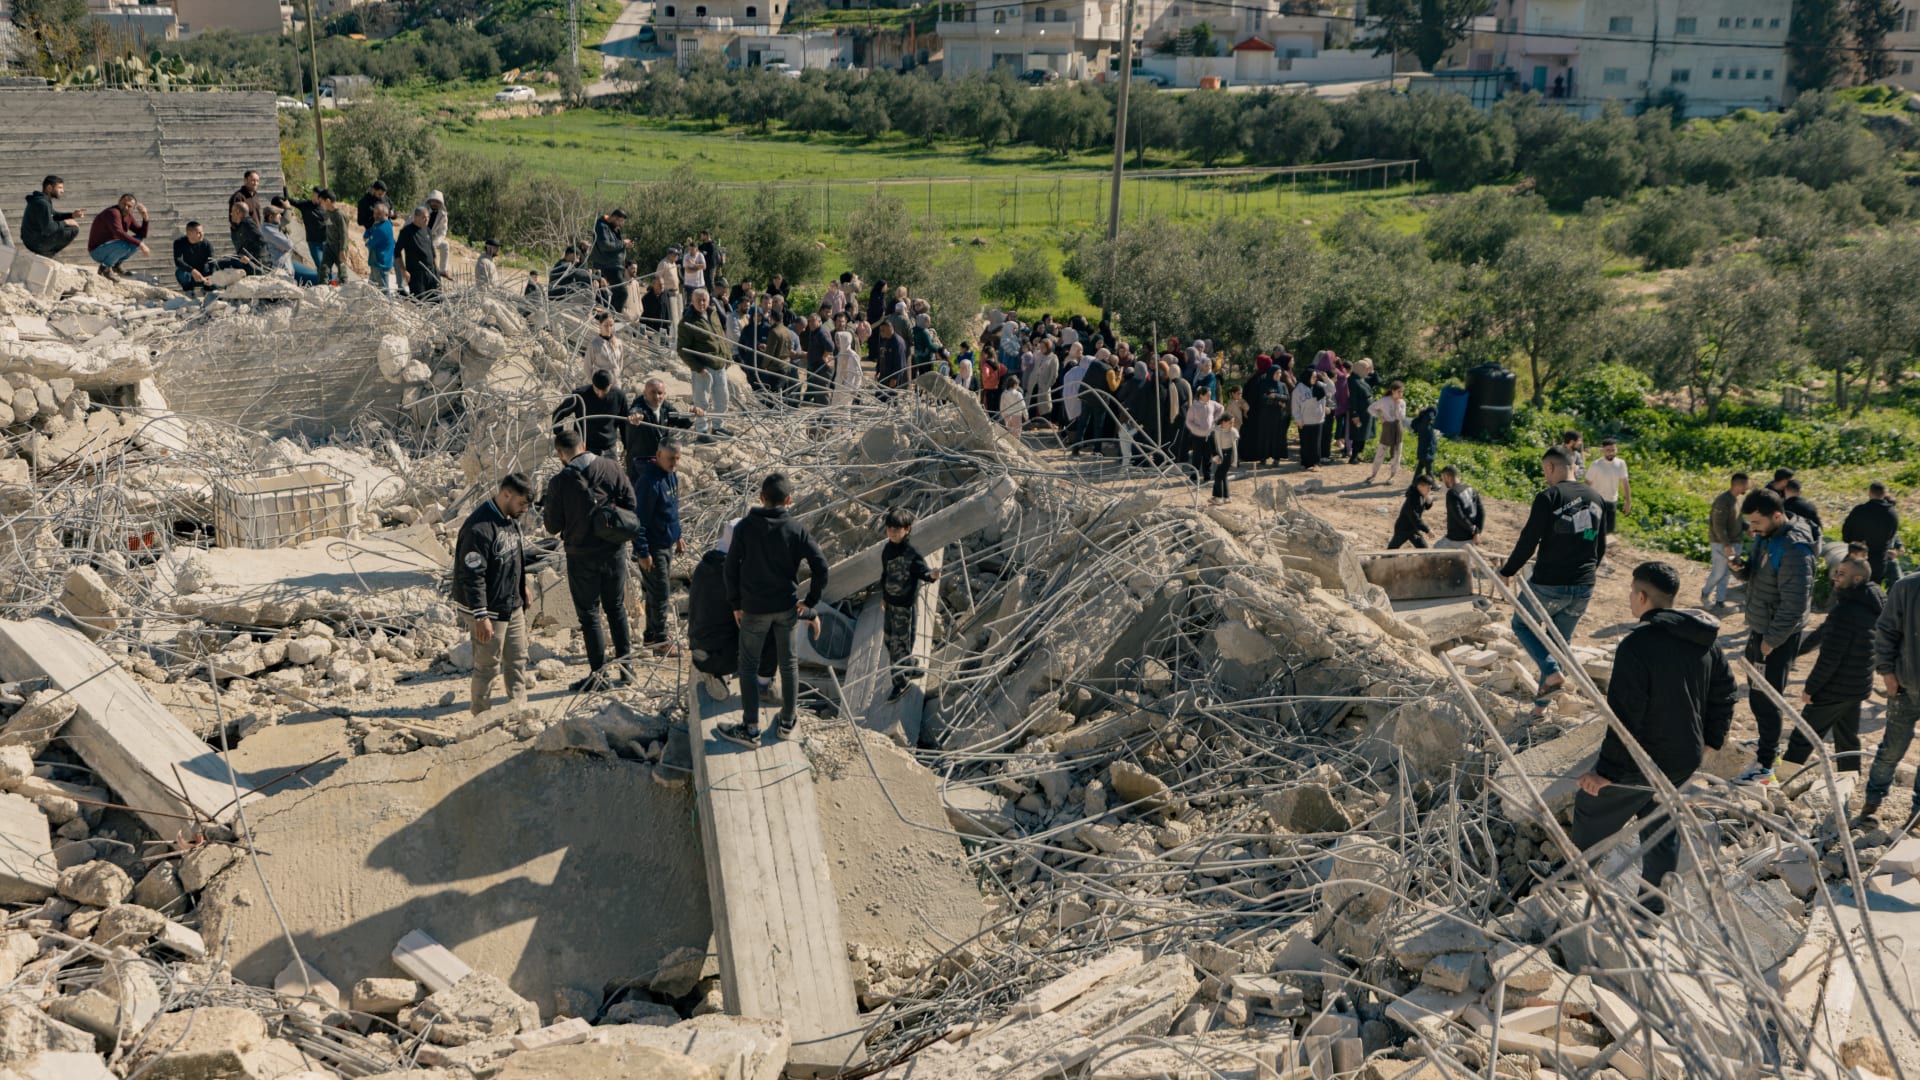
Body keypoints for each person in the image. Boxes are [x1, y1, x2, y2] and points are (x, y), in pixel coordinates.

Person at [1571, 561, 1733, 916]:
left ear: (1642, 596)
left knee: (1591, 809)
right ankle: (1652, 906)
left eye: (1632, 592)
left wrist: (1606, 773)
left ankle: (1571, 883)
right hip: (1684, 756)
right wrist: (1712, 739)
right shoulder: (1704, 641)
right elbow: (1725, 691)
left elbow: (1625, 716)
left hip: (1643, 759)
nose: (1630, 598)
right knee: (1659, 825)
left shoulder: (1637, 645)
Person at [719, 473, 829, 747]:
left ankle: (750, 728)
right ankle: (787, 722)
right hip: (786, 608)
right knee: (789, 664)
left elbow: (730, 568)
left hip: (754, 609)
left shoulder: (744, 527)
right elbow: (821, 567)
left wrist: (735, 603)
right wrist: (811, 601)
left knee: (747, 666)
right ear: (789, 500)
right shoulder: (796, 529)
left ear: (761, 498)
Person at [1500, 446, 1606, 718]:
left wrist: (1508, 570)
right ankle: (1539, 709)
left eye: (1544, 470)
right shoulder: (1596, 498)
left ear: (1550, 467)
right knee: (1557, 644)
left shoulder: (1550, 496)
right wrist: (1586, 575)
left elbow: (1528, 540)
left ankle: (1552, 674)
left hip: (1550, 583)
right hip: (1584, 586)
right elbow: (1600, 546)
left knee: (1521, 624)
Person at [1733, 487, 1818, 785]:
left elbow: (1795, 604)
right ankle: (1767, 745)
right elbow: (1760, 575)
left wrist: (1770, 641)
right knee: (1757, 693)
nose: (1751, 528)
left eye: (1756, 522)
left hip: (1776, 637)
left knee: (1768, 698)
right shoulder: (1768, 537)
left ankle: (1766, 765)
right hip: (1761, 628)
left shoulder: (1795, 549)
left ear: (1777, 516)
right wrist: (1742, 570)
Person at [543, 428, 638, 691]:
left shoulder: (559, 482)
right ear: (583, 445)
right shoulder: (612, 466)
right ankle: (627, 670)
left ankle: (599, 676)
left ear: (560, 454)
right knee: (616, 608)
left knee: (589, 615)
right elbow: (631, 502)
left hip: (581, 555)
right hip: (613, 550)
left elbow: (552, 526)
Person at [1784, 554, 1881, 781]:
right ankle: (1849, 779)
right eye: (1836, 572)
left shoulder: (1845, 612)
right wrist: (1798, 651)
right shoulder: (1871, 603)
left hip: (1834, 689)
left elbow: (1830, 659)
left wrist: (1811, 688)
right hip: (1857, 686)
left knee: (1803, 736)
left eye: (1841, 574)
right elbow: (1823, 634)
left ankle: (1782, 781)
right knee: (1846, 737)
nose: (1835, 577)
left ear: (1857, 579)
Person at [454, 473, 535, 715]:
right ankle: (481, 717)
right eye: (521, 503)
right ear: (506, 494)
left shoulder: (510, 519)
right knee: (488, 666)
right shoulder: (478, 528)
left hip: (512, 603)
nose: (523, 509)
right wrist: (481, 616)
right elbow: (472, 575)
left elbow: (515, 557)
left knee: (518, 659)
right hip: (487, 609)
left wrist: (522, 586)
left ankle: (518, 710)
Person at [689, 519, 778, 700]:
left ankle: (716, 672)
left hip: (700, 647)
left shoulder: (707, 563)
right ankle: (763, 685)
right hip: (719, 657)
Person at [1864, 566, 1920, 827]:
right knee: (1892, 748)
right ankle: (1872, 803)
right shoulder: (1907, 587)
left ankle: (1917, 814)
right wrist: (1887, 672)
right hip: (1905, 687)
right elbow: (1886, 631)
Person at [881, 507, 939, 702]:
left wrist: (931, 575)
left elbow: (923, 572)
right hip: (890, 605)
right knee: (889, 641)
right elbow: (885, 574)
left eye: (897, 530)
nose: (892, 533)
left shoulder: (911, 554)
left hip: (904, 608)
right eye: (889, 529)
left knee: (899, 647)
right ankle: (912, 665)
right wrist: (884, 595)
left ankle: (901, 683)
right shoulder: (887, 549)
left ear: (907, 530)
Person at [634, 439, 686, 656]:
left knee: (656, 592)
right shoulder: (648, 482)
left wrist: (678, 535)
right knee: (660, 592)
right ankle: (661, 639)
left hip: (666, 542)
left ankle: (650, 637)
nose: (674, 463)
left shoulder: (670, 475)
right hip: (653, 547)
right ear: (658, 455)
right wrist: (643, 552)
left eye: (677, 459)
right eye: (670, 458)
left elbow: (671, 509)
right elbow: (639, 521)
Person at [679, 288, 730, 440]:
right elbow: (682, 350)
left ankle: (718, 427)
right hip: (703, 368)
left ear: (709, 300)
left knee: (722, 398)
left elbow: (720, 336)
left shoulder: (713, 314)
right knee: (702, 401)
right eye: (698, 300)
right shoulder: (687, 322)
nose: (702, 303)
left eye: (704, 299)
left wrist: (727, 356)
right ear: (692, 301)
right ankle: (701, 431)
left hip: (719, 365)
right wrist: (698, 368)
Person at [553, 368, 630, 457]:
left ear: (610, 385)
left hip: (609, 449)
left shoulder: (619, 396)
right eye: (597, 390)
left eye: (604, 391)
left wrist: (626, 446)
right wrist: (563, 439)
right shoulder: (580, 395)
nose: (600, 394)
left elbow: (624, 423)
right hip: (585, 448)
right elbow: (558, 414)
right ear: (592, 384)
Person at [1702, 472, 1749, 610]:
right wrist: (1726, 544)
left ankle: (1720, 602)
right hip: (1721, 542)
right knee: (1719, 572)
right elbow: (1718, 525)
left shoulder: (1738, 499)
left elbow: (1738, 519)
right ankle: (1705, 594)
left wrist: (1747, 528)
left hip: (1735, 542)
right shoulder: (1723, 500)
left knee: (1727, 573)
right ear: (1739, 484)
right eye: (1746, 484)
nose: (1748, 487)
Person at [1844, 482, 1902, 586]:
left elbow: (1846, 532)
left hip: (1856, 555)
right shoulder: (1892, 514)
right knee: (1873, 588)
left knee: (1850, 586)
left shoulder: (1859, 511)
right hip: (1879, 559)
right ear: (1884, 494)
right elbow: (1892, 535)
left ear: (1870, 493)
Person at [85, 193, 150, 279]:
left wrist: (145, 218)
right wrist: (141, 245)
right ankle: (105, 268)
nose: (125, 207)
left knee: (139, 239)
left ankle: (116, 265)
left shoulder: (128, 216)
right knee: (127, 243)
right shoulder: (113, 212)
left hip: (110, 248)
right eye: (123, 204)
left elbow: (142, 234)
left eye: (129, 206)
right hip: (97, 250)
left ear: (133, 208)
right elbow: (119, 232)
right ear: (119, 202)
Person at [1243, 355, 1291, 467]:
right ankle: (1263, 457)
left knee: (1277, 437)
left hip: (1278, 416)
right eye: (1276, 373)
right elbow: (1263, 398)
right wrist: (1277, 401)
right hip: (1266, 415)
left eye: (1280, 373)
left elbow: (1286, 398)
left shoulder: (1283, 385)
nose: (1279, 375)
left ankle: (1276, 458)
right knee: (1265, 437)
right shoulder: (1264, 384)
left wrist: (1275, 395)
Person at [20, 176, 85, 258]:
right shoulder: (42, 203)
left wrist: (72, 215)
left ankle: (47, 253)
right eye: (60, 188)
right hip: (35, 242)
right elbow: (48, 228)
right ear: (49, 188)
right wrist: (66, 222)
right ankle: (47, 254)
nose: (62, 191)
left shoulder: (42, 200)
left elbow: (54, 215)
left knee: (68, 226)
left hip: (32, 239)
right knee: (73, 229)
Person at [262, 206, 321, 285]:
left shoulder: (275, 229)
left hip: (285, 268)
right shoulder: (268, 230)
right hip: (279, 270)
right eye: (278, 214)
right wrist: (286, 242)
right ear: (271, 217)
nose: (280, 216)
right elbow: (289, 245)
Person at [1585, 438, 1631, 538]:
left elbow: (1625, 483)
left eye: (1613, 450)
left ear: (1617, 450)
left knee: (1609, 529)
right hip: (1596, 500)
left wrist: (1628, 502)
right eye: (1608, 450)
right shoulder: (1596, 465)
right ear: (1602, 451)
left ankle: (1598, 548)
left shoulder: (1621, 464)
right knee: (1592, 529)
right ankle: (1586, 547)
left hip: (1611, 500)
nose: (1611, 453)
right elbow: (1587, 483)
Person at [1366, 380, 1409, 485]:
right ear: (1393, 391)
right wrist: (1380, 417)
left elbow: (1401, 417)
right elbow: (1370, 408)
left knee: (1397, 453)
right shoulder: (1384, 400)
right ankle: (1373, 474)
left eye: (1402, 392)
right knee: (1381, 452)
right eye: (1399, 391)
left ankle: (1391, 476)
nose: (1401, 394)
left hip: (1397, 427)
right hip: (1387, 427)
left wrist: (1398, 406)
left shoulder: (1402, 403)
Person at [590, 208, 632, 312]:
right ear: (614, 217)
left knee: (614, 293)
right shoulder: (602, 226)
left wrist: (625, 245)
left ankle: (610, 315)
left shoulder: (613, 228)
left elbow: (615, 244)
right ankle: (613, 317)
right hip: (607, 265)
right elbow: (605, 245)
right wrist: (623, 243)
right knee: (622, 292)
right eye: (620, 221)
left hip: (615, 265)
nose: (621, 224)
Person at [1291, 368, 1332, 471]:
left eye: (1315, 376)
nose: (1315, 379)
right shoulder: (1298, 390)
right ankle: (1305, 463)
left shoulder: (1319, 386)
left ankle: (1316, 463)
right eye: (1313, 377)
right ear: (1307, 377)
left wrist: (1326, 379)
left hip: (1318, 420)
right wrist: (1298, 419)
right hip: (1305, 421)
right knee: (1305, 443)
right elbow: (1295, 406)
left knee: (1316, 443)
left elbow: (1332, 390)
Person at [396, 206, 439, 301]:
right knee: (420, 302)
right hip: (416, 274)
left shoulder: (428, 230)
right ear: (416, 217)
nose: (426, 219)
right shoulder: (406, 232)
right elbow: (397, 253)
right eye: (424, 217)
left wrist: (436, 270)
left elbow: (432, 251)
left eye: (428, 217)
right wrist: (403, 271)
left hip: (431, 272)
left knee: (436, 299)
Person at [1438, 466, 1485, 549]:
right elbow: (1481, 512)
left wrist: (1473, 530)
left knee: (1434, 551)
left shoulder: (1452, 493)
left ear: (1447, 477)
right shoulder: (1470, 489)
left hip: (1456, 539)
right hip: (1471, 537)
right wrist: (1477, 532)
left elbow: (1459, 516)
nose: (1443, 482)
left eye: (1443, 478)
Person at [1185, 385, 1224, 484]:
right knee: (1196, 457)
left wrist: (1216, 419)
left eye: (1210, 395)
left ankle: (1207, 475)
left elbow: (1221, 408)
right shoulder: (1194, 407)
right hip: (1197, 436)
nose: (1209, 397)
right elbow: (1188, 421)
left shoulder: (1212, 404)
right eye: (1207, 395)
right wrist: (1195, 428)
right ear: (1201, 395)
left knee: (1208, 457)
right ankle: (1194, 476)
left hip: (1209, 435)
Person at [1389, 476, 1436, 550]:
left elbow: (1425, 507)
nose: (1429, 490)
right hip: (1403, 529)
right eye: (1428, 488)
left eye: (1430, 488)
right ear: (1420, 486)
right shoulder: (1412, 498)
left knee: (1424, 550)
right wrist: (1427, 530)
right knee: (1391, 551)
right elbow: (1415, 517)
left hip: (1413, 529)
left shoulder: (1420, 494)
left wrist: (1429, 502)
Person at [173, 221, 217, 293]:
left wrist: (212, 276)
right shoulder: (179, 242)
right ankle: (189, 291)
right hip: (189, 274)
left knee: (217, 272)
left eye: (202, 232)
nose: (201, 234)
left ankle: (208, 290)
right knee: (180, 272)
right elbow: (178, 261)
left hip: (204, 274)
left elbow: (212, 261)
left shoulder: (207, 244)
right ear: (189, 234)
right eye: (198, 233)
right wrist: (192, 271)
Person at [1345, 359, 1374, 465]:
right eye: (1366, 368)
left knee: (1363, 435)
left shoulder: (1361, 379)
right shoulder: (1353, 381)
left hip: (1366, 413)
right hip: (1359, 413)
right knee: (1358, 434)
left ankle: (1358, 455)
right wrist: (1355, 414)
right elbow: (1353, 399)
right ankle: (1353, 457)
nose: (1368, 371)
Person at [228, 200, 269, 274]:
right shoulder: (239, 226)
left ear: (238, 212)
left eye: (232, 211)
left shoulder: (248, 223)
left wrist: (251, 258)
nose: (231, 214)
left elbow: (261, 241)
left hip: (256, 263)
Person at [363, 202, 395, 294]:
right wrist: (367, 235)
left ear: (386, 214)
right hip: (377, 263)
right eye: (375, 213)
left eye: (379, 214)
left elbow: (369, 243)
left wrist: (367, 238)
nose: (376, 216)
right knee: (371, 287)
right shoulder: (383, 223)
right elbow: (369, 231)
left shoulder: (382, 229)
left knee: (383, 291)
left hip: (380, 264)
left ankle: (389, 306)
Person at [1780, 478, 1824, 544]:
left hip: (1787, 542)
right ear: (1800, 492)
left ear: (1785, 490)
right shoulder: (1810, 506)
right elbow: (1818, 527)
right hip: (1809, 541)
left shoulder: (1781, 508)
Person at [1209, 413, 1240, 506]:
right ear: (1223, 422)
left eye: (1233, 423)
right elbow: (1212, 445)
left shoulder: (1234, 432)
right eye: (1230, 423)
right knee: (1223, 475)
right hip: (1220, 454)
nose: (1232, 425)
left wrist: (1234, 459)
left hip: (1228, 455)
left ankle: (1219, 498)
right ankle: (1226, 497)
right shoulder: (1215, 431)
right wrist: (1216, 456)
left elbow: (1235, 447)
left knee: (1218, 475)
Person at [585, 310, 621, 385]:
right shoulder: (594, 344)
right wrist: (593, 383)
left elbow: (620, 363)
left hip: (615, 383)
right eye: (605, 325)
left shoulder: (618, 343)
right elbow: (587, 366)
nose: (608, 328)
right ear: (600, 325)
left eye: (611, 325)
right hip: (600, 384)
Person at [425, 190, 450, 276]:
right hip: (420, 235)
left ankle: (443, 270)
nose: (435, 203)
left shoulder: (443, 214)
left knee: (445, 244)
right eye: (433, 201)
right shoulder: (422, 209)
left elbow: (443, 231)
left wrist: (435, 243)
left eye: (437, 202)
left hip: (433, 238)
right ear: (430, 201)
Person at [1411, 405, 1439, 479]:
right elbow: (1429, 440)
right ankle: (1433, 485)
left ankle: (1414, 483)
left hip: (1423, 450)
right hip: (1426, 451)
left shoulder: (1422, 423)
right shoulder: (1426, 425)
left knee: (1420, 468)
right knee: (1429, 470)